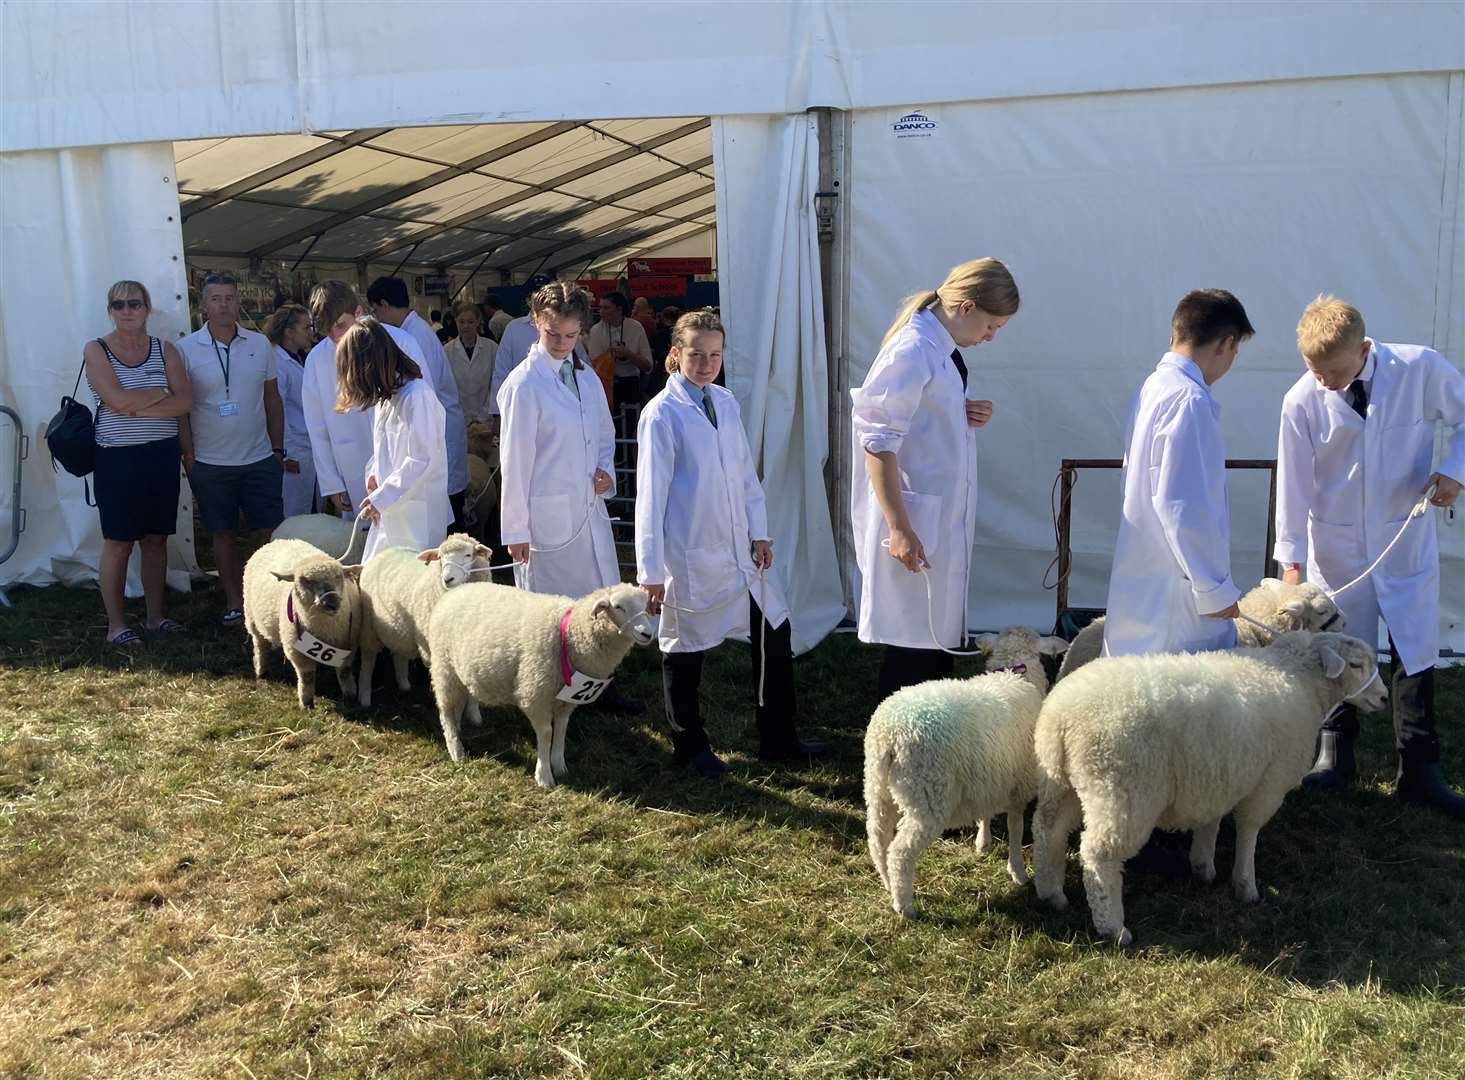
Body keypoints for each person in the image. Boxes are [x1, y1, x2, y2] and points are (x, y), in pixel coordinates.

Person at [1277, 296, 1465, 818]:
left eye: (1332, 372)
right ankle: (1334, 755)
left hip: (1402, 538)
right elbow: (1291, 487)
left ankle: (1420, 767)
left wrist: (1455, 470)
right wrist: (1290, 564)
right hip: (1335, 547)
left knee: (1414, 644)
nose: (1323, 383)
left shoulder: (1420, 369)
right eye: (1314, 370)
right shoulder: (1301, 400)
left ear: (1363, 349)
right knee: (1337, 648)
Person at [637, 309, 824, 777]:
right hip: (690, 553)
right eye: (696, 354)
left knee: (773, 632)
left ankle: (778, 738)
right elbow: (650, 498)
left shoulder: (724, 402)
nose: (706, 364)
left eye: (714, 355)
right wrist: (651, 573)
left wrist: (759, 531)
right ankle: (689, 744)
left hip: (739, 552)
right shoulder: (661, 414)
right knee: (684, 648)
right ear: (675, 355)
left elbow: (744, 474)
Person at [851, 258, 1017, 699]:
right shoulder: (913, 350)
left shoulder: (944, 352)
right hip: (911, 520)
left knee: (934, 647)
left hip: (933, 520)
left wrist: (960, 413)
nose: (990, 336)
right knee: (912, 653)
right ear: (966, 307)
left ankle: (928, 754)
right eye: (991, 325)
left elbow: (919, 418)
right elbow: (877, 442)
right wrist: (900, 528)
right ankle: (894, 752)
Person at [497, 282, 641, 715]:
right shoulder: (524, 385)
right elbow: (514, 461)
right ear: (537, 324)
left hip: (586, 511)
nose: (561, 344)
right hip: (547, 519)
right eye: (552, 334)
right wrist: (516, 527)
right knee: (557, 612)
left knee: (599, 603)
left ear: (582, 330)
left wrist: (604, 471)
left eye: (570, 335)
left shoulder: (585, 376)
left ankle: (600, 684)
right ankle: (553, 691)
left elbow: (603, 432)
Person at [1102, 289, 1254, 658]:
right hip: (1177, 592)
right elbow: (1183, 505)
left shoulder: (1152, 388)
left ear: (1175, 334)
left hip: (1144, 572)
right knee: (1176, 698)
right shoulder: (1189, 400)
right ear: (1227, 344)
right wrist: (1212, 590)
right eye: (1235, 352)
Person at [82, 280, 193, 645]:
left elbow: (184, 403)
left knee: (156, 539)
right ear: (110, 311)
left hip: (160, 454)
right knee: (118, 542)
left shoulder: (166, 350)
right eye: (119, 305)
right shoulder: (96, 349)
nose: (127, 310)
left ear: (147, 308)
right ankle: (116, 625)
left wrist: (137, 403)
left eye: (134, 303)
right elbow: (114, 401)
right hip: (116, 458)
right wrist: (159, 394)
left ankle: (154, 617)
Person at [176, 272, 285, 626]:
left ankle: (270, 597)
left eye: (230, 298)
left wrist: (278, 448)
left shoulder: (259, 344)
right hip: (210, 462)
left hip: (259, 457)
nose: (224, 305)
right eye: (216, 299)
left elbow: (272, 398)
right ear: (203, 306)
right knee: (222, 534)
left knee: (268, 531)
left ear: (239, 303)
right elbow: (181, 409)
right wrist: (189, 457)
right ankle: (234, 602)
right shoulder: (185, 349)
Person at [301, 280, 428, 521]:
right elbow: (316, 426)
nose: (336, 336)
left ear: (358, 312)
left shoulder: (400, 342)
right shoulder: (317, 359)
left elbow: (424, 407)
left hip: (404, 468)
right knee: (362, 542)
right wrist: (331, 483)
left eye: (341, 325)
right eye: (328, 331)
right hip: (353, 467)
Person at [335, 318, 450, 563]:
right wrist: (374, 477)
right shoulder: (388, 398)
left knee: (413, 585)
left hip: (417, 515)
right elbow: (382, 451)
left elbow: (422, 459)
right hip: (392, 510)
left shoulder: (417, 397)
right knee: (381, 578)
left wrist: (384, 496)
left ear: (368, 366)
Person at [366, 276, 469, 531]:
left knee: (445, 515)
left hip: (436, 437)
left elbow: (425, 395)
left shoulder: (414, 338)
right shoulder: (412, 332)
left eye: (375, 310)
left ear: (385, 305)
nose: (376, 317)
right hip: (428, 443)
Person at [489, 310, 590, 431]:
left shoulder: (567, 329)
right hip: (523, 405)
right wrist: (497, 413)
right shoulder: (514, 329)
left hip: (562, 409)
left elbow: (583, 369)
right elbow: (501, 371)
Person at [263, 304, 316, 516]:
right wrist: (287, 451)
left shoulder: (301, 357)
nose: (311, 333)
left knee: (311, 507)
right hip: (295, 448)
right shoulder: (278, 361)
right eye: (306, 328)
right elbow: (278, 406)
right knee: (295, 511)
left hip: (309, 445)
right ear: (289, 332)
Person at [586, 291, 653, 410]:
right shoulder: (596, 331)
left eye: (606, 308)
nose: (601, 312)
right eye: (600, 307)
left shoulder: (636, 328)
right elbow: (595, 365)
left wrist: (628, 354)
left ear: (619, 309)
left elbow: (648, 366)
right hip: (604, 386)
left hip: (630, 384)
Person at [443, 299, 495, 425]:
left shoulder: (492, 348)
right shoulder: (446, 351)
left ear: (478, 322)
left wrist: (483, 416)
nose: (466, 326)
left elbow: (495, 386)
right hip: (458, 419)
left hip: (486, 420)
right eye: (461, 322)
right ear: (455, 321)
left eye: (470, 322)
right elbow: (446, 389)